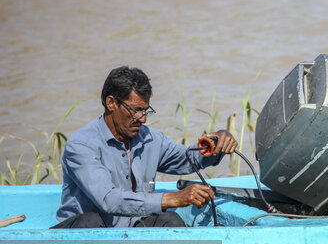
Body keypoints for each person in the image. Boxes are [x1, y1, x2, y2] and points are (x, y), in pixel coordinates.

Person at [53, 66, 237, 228]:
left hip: (131, 227)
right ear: (111, 103)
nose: (143, 118)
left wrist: (216, 143)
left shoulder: (150, 138)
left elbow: (186, 159)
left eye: (145, 110)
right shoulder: (82, 146)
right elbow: (109, 200)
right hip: (82, 234)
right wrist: (172, 199)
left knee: (170, 220)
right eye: (135, 110)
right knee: (90, 222)